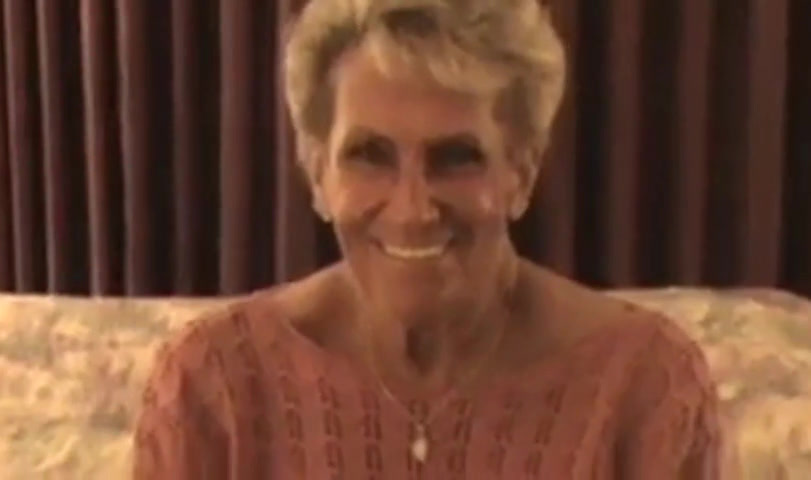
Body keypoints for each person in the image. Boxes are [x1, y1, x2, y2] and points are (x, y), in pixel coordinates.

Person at [133, 0, 723, 478]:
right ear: (317, 174)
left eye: (456, 157)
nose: (412, 210)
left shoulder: (643, 387)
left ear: (521, 174)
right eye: (370, 155)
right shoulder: (215, 388)